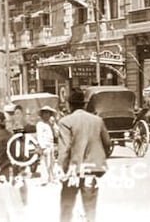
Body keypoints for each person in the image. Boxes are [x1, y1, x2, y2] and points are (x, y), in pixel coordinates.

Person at [57, 87, 112, 222]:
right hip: (92, 169)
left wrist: (61, 169)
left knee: (67, 206)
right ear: (84, 105)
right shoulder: (97, 120)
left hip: (73, 171)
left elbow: (64, 149)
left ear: (70, 105)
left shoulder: (65, 122)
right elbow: (108, 143)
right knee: (90, 208)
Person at [35, 107, 57, 185]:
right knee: (44, 163)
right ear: (42, 114)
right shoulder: (40, 124)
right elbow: (39, 136)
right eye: (45, 113)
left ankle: (52, 178)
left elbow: (56, 133)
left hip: (51, 144)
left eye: (48, 113)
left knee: (52, 162)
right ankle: (44, 179)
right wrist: (42, 146)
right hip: (45, 145)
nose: (47, 115)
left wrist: (54, 124)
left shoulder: (50, 124)